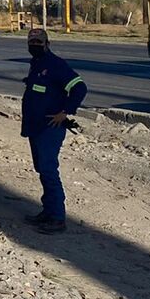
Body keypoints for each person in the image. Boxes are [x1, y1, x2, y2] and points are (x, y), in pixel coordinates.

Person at [21, 28, 88, 234]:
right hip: (35, 126)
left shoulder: (55, 64)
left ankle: (58, 218)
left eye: (38, 43)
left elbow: (80, 88)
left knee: (49, 171)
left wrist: (65, 112)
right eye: (32, 43)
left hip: (49, 129)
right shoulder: (37, 63)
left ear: (47, 44)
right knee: (42, 169)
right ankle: (48, 211)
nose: (35, 46)